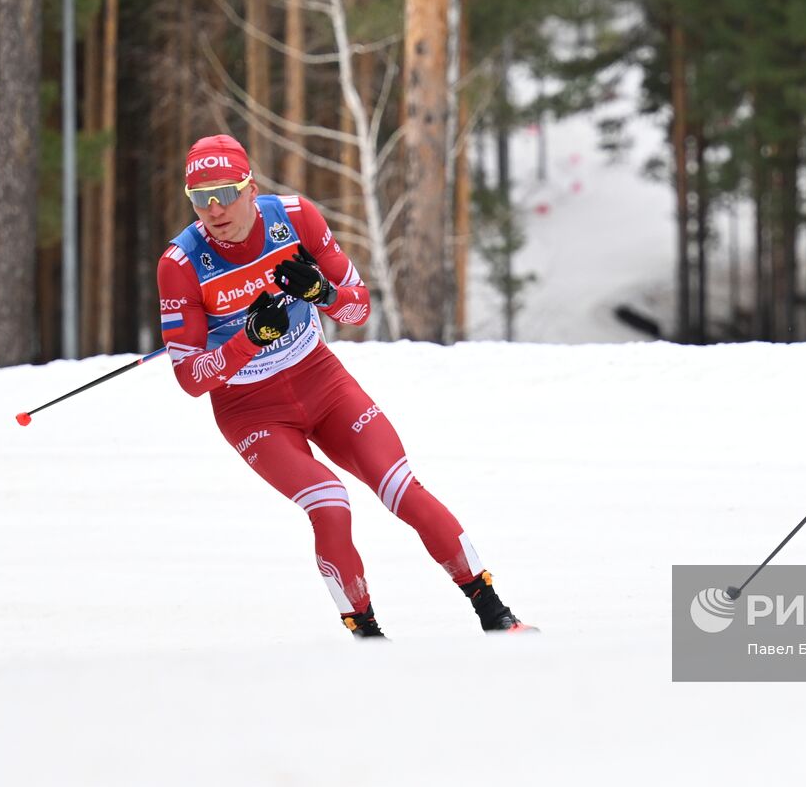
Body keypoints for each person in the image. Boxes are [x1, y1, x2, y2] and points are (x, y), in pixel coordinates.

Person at [157, 134, 532, 637]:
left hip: (319, 377)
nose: (215, 208)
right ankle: (366, 632)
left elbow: (357, 307)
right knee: (329, 501)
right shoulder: (180, 264)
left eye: (225, 192)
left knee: (400, 485)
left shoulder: (295, 217)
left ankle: (493, 611)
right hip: (251, 409)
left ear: (251, 188)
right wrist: (248, 339)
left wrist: (321, 292)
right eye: (200, 198)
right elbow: (189, 378)